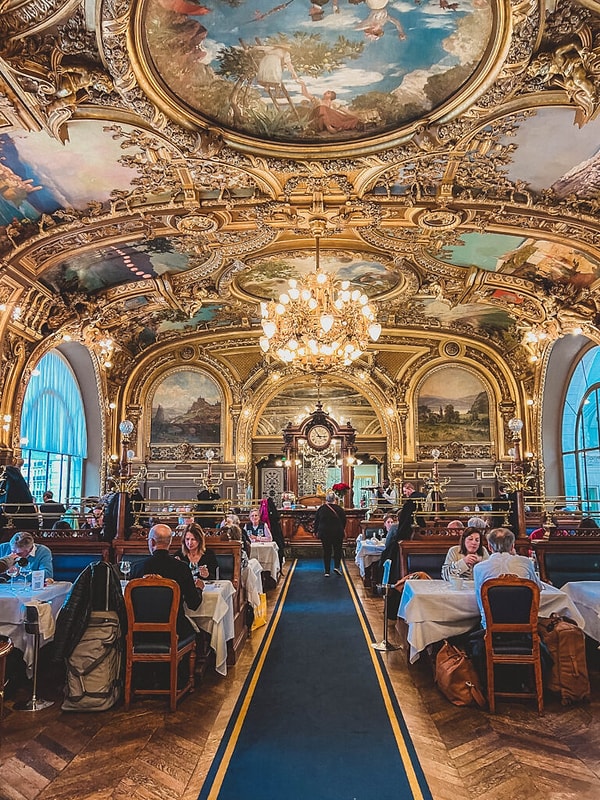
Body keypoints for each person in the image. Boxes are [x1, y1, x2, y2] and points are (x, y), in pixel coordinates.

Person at [129, 524, 201, 638]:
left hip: (140, 632)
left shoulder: (137, 568)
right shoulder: (181, 568)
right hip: (176, 630)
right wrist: (199, 588)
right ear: (170, 542)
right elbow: (194, 604)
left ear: (152, 542)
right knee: (198, 634)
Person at [473, 527, 542, 627]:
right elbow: (537, 588)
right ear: (512, 546)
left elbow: (480, 599)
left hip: (490, 624)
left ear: (489, 547)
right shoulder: (526, 563)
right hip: (525, 622)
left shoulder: (479, 568)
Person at [314, 491, 346, 576]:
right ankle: (336, 567)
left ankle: (327, 571)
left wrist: (315, 531)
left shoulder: (321, 509)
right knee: (337, 550)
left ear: (326, 499)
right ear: (335, 499)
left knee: (327, 551)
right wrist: (341, 528)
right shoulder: (339, 509)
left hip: (325, 533)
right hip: (337, 533)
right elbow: (344, 521)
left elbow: (316, 521)